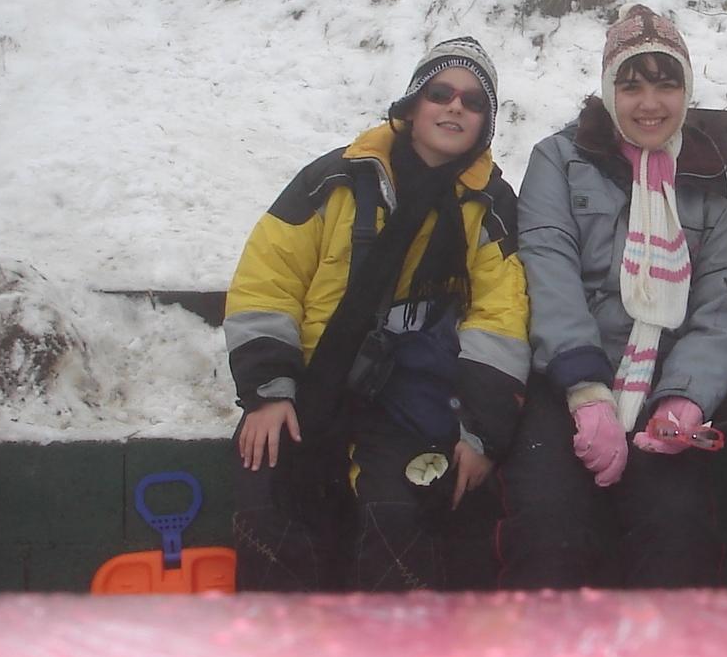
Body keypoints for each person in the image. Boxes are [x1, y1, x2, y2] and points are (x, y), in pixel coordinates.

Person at [223, 35, 530, 591]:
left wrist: (481, 432)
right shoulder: (335, 177)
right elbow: (268, 279)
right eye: (440, 93)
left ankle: (389, 645)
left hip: (412, 401)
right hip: (311, 385)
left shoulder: (490, 205)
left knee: (401, 515)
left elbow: (500, 317)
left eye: (472, 101)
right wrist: (269, 391)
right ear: (413, 104)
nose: (454, 107)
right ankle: (280, 643)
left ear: (485, 124)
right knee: (269, 502)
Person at [502, 5, 727, 587]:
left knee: (678, 533)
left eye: (666, 86)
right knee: (548, 527)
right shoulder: (559, 160)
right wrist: (586, 390)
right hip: (564, 379)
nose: (649, 104)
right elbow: (549, 265)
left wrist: (683, 400)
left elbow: (723, 306)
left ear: (686, 92)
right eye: (631, 85)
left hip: (664, 386)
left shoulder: (717, 188)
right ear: (607, 89)